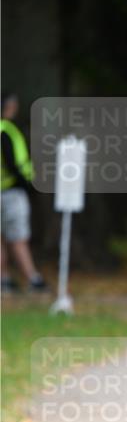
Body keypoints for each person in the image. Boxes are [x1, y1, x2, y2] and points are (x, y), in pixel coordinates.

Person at [1, 93, 48, 294]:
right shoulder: (6, 130)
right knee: (18, 238)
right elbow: (13, 163)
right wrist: (27, 185)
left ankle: (3, 280)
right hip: (12, 192)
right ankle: (32, 279)